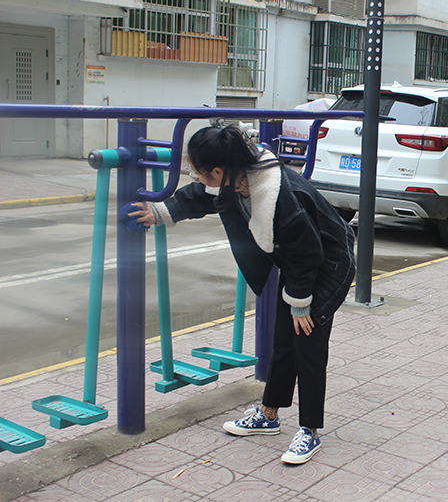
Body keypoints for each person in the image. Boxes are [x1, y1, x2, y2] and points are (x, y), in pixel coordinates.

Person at [129, 125, 356, 465]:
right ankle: (269, 415)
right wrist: (161, 212)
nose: (196, 176)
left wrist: (300, 303)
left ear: (217, 170)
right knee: (283, 342)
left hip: (328, 265)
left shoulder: (280, 196)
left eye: (198, 170)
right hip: (299, 265)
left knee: (307, 346)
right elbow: (201, 195)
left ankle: (310, 430)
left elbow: (308, 253)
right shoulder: (237, 175)